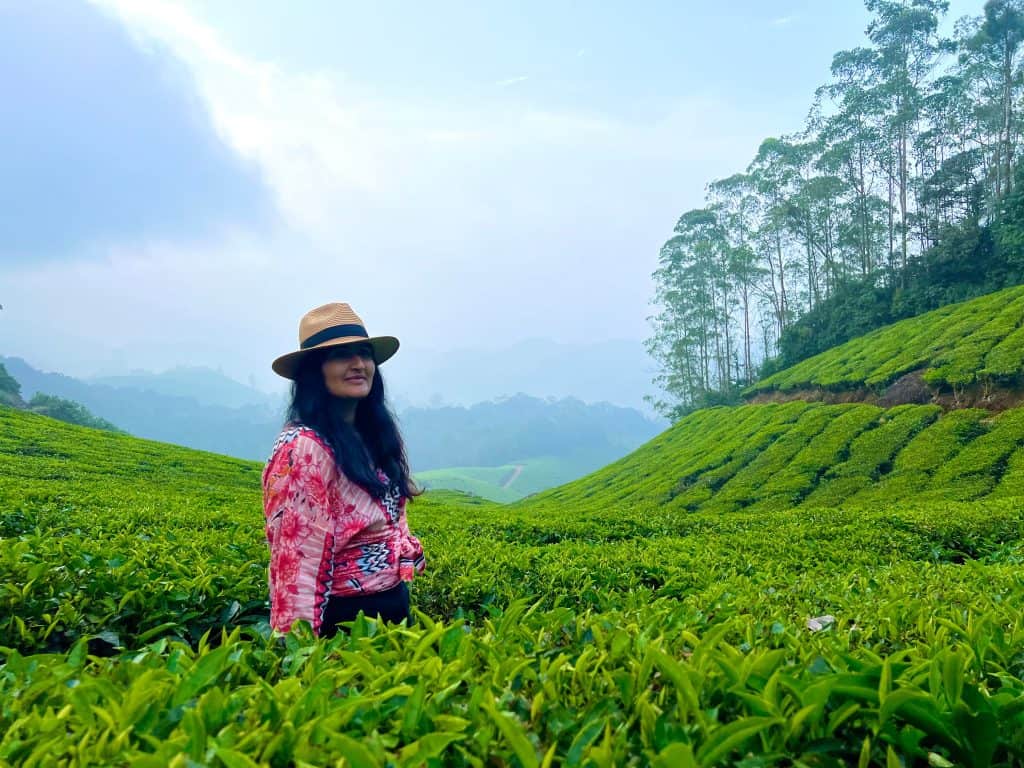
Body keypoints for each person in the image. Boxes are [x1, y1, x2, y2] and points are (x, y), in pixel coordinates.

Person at [262, 302, 424, 636]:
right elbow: (296, 561)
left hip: (392, 610)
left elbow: (391, 513)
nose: (359, 364)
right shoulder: (303, 448)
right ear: (313, 371)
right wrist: (301, 651)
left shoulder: (374, 435)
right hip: (343, 621)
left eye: (364, 353)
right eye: (340, 355)